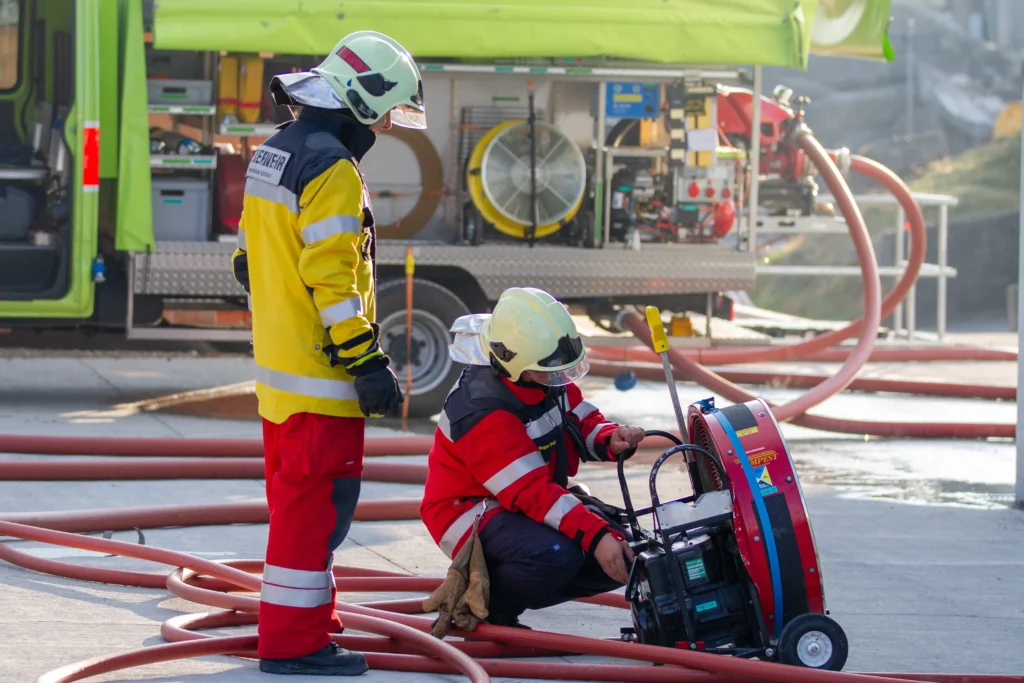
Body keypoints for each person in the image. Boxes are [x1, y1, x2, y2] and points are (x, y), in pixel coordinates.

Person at [229, 30, 426, 676]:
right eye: (387, 112)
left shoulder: (275, 153)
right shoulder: (333, 170)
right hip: (320, 383)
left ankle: (308, 625)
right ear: (364, 102)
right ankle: (293, 645)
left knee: (298, 513)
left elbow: (246, 260)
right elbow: (334, 286)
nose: (385, 126)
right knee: (313, 520)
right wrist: (366, 362)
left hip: (280, 385)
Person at [419, 287, 647, 630]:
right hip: (468, 510)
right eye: (550, 371)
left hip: (518, 499)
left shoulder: (541, 369)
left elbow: (578, 418)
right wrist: (596, 536)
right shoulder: (480, 408)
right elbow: (532, 492)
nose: (559, 378)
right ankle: (485, 614)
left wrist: (609, 438)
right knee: (557, 555)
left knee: (626, 551)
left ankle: (515, 584)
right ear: (513, 362)